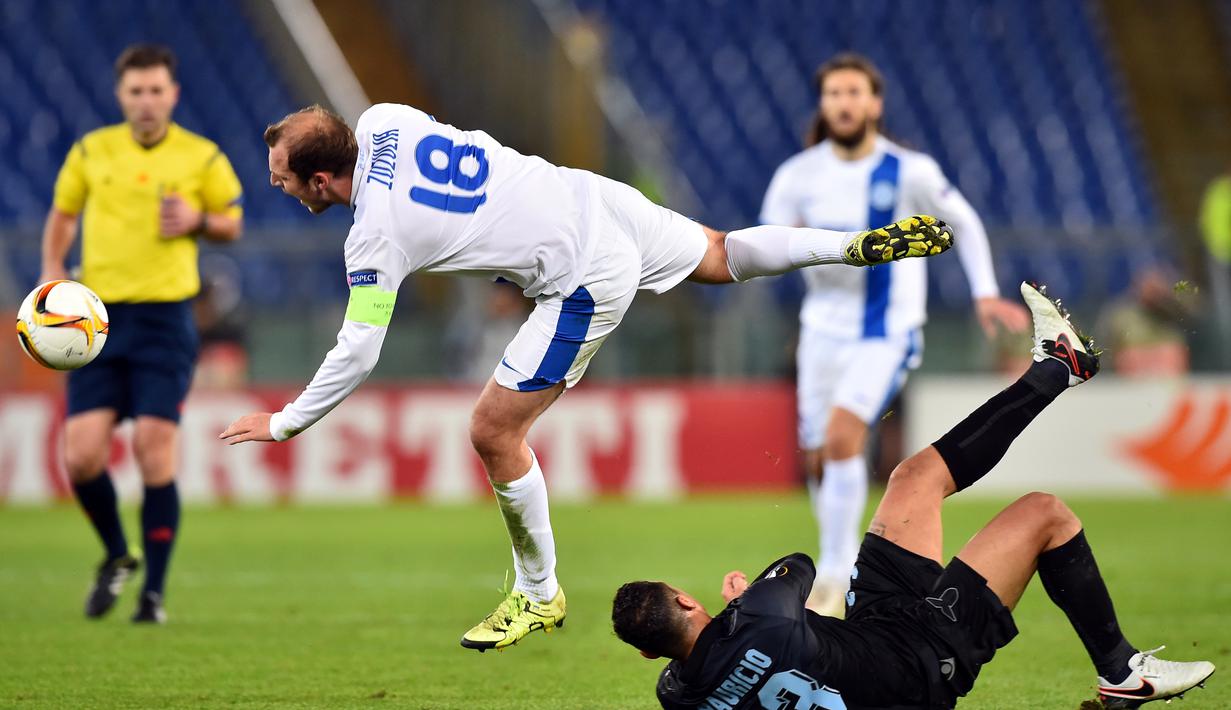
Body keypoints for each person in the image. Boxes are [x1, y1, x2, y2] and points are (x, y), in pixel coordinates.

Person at [218, 102, 954, 651]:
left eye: (284, 178)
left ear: (321, 177)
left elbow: (358, 350)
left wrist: (286, 422)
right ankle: (847, 248)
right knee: (721, 254)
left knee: (492, 429)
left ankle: (537, 594)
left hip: (580, 274)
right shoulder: (384, 119)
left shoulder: (373, 236)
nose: (280, 187)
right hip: (591, 198)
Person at [611, 282, 1216, 709]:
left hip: (870, 638)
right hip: (920, 661)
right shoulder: (759, 615)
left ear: (651, 659)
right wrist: (743, 597)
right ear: (687, 600)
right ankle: (1123, 670)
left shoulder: (681, 696)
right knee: (1045, 514)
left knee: (913, 478)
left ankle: (1058, 366)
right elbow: (798, 566)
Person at [759, 53, 1030, 616]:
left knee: (840, 439)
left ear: (875, 103)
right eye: (834, 93)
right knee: (818, 457)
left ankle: (835, 579)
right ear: (823, 103)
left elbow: (966, 221)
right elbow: (769, 244)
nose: (844, 102)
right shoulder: (797, 175)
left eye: (854, 92)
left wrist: (983, 291)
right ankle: (837, 562)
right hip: (821, 333)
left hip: (887, 332)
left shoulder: (909, 170)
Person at [40, 44, 244, 623]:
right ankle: (115, 554)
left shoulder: (201, 156)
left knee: (153, 449)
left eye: (157, 91)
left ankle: (153, 595)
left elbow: (232, 219)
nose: (147, 101)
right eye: (137, 91)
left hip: (165, 319)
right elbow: (62, 215)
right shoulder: (92, 150)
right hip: (95, 319)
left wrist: (199, 221)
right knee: (80, 458)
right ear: (120, 96)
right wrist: (52, 271)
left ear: (173, 94)